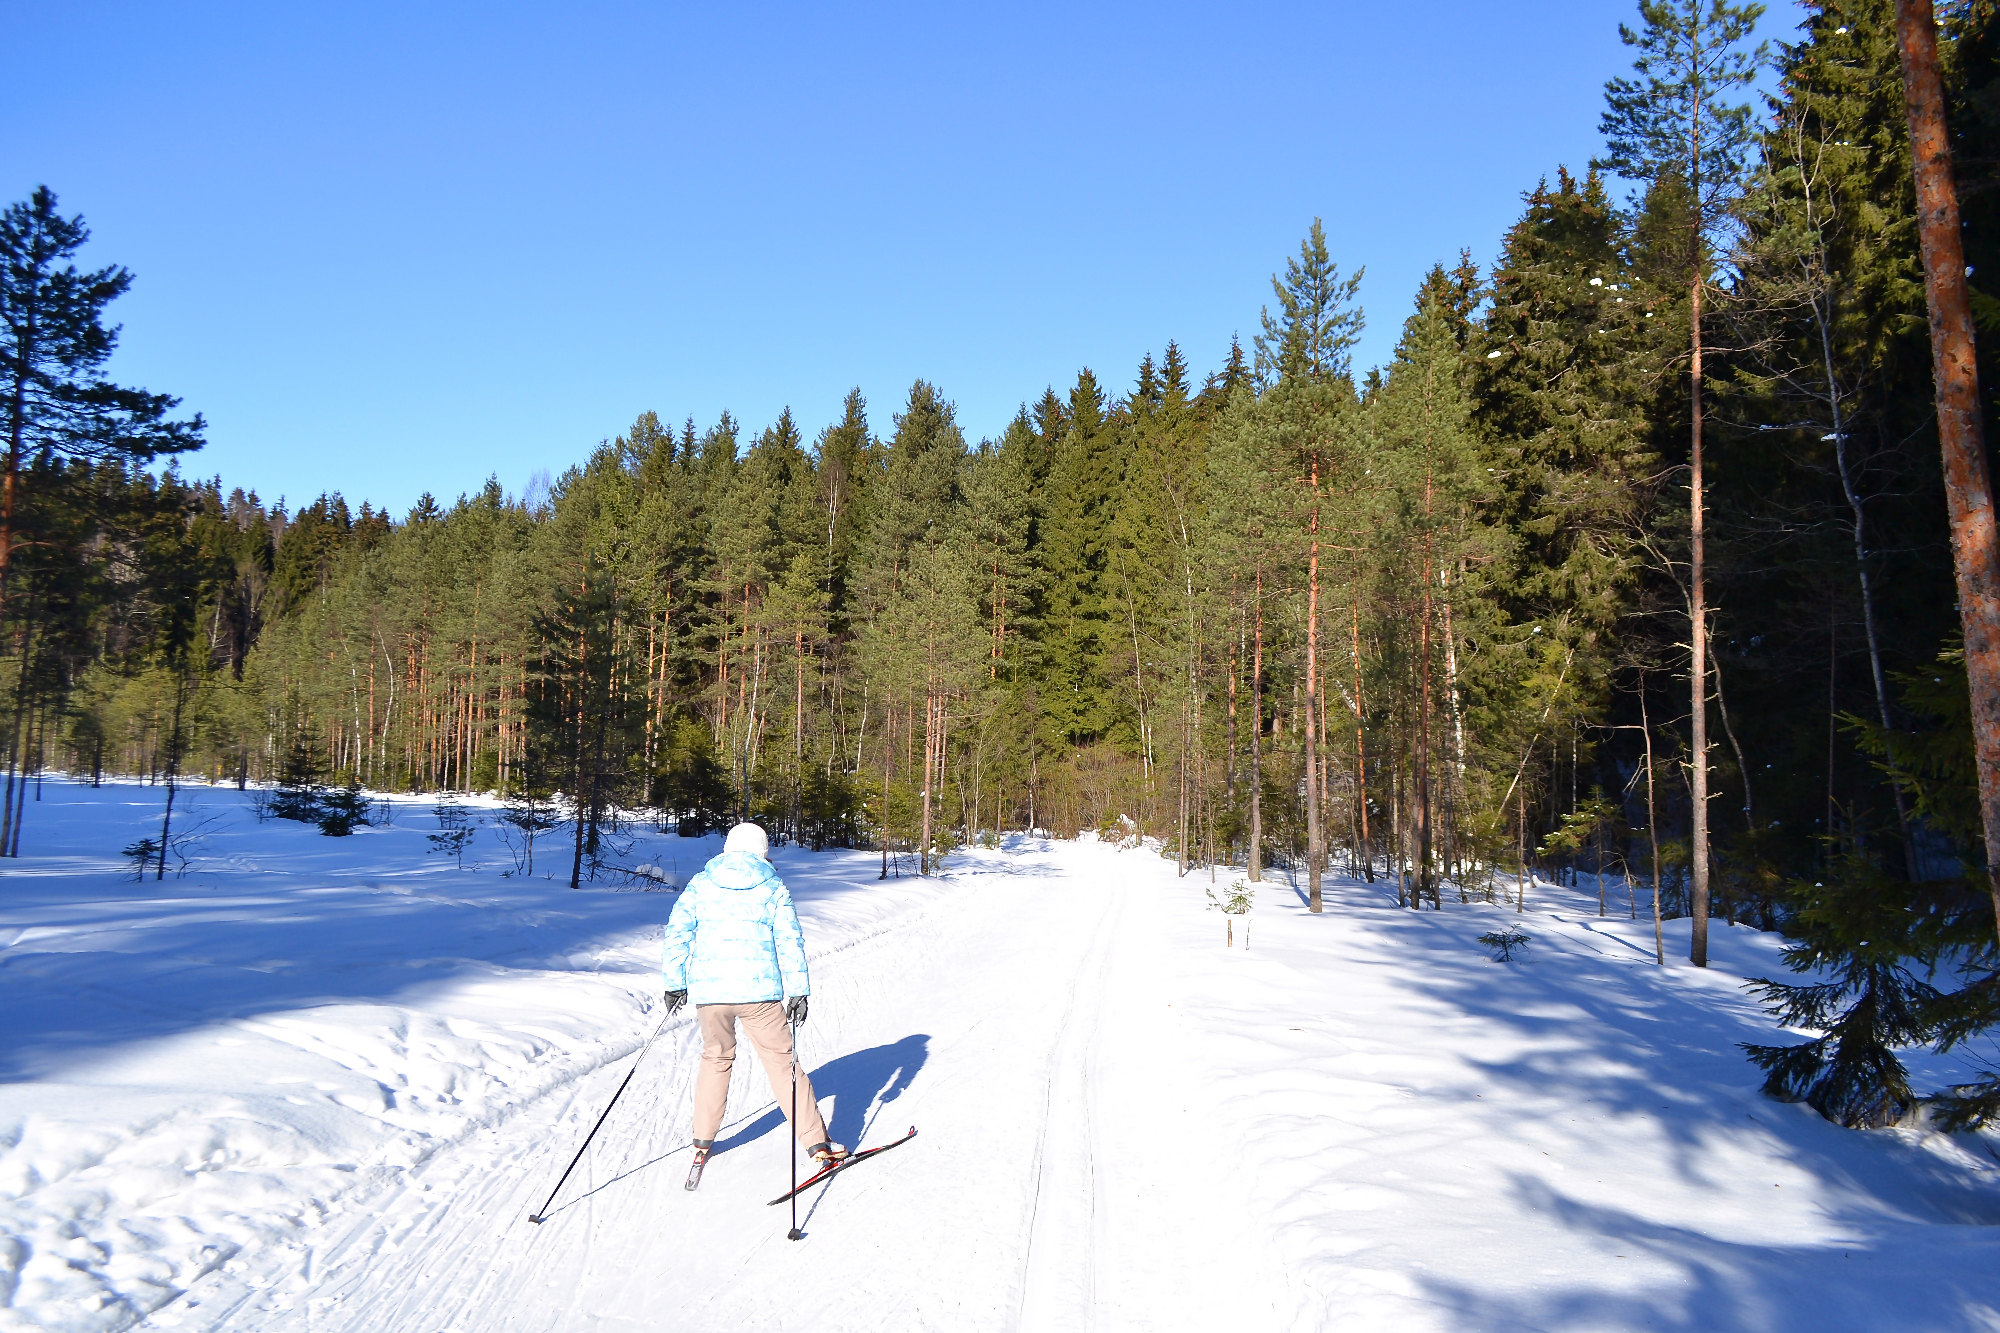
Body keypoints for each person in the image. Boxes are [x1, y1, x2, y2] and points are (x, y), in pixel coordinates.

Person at [661, 821, 845, 1182]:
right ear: (762, 851)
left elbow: (677, 931)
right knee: (782, 1064)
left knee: (715, 1058)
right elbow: (790, 941)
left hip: (711, 996)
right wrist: (798, 990)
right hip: (758, 996)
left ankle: (702, 1140)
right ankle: (816, 1144)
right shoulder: (773, 886)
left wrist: (675, 982)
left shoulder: (702, 882)